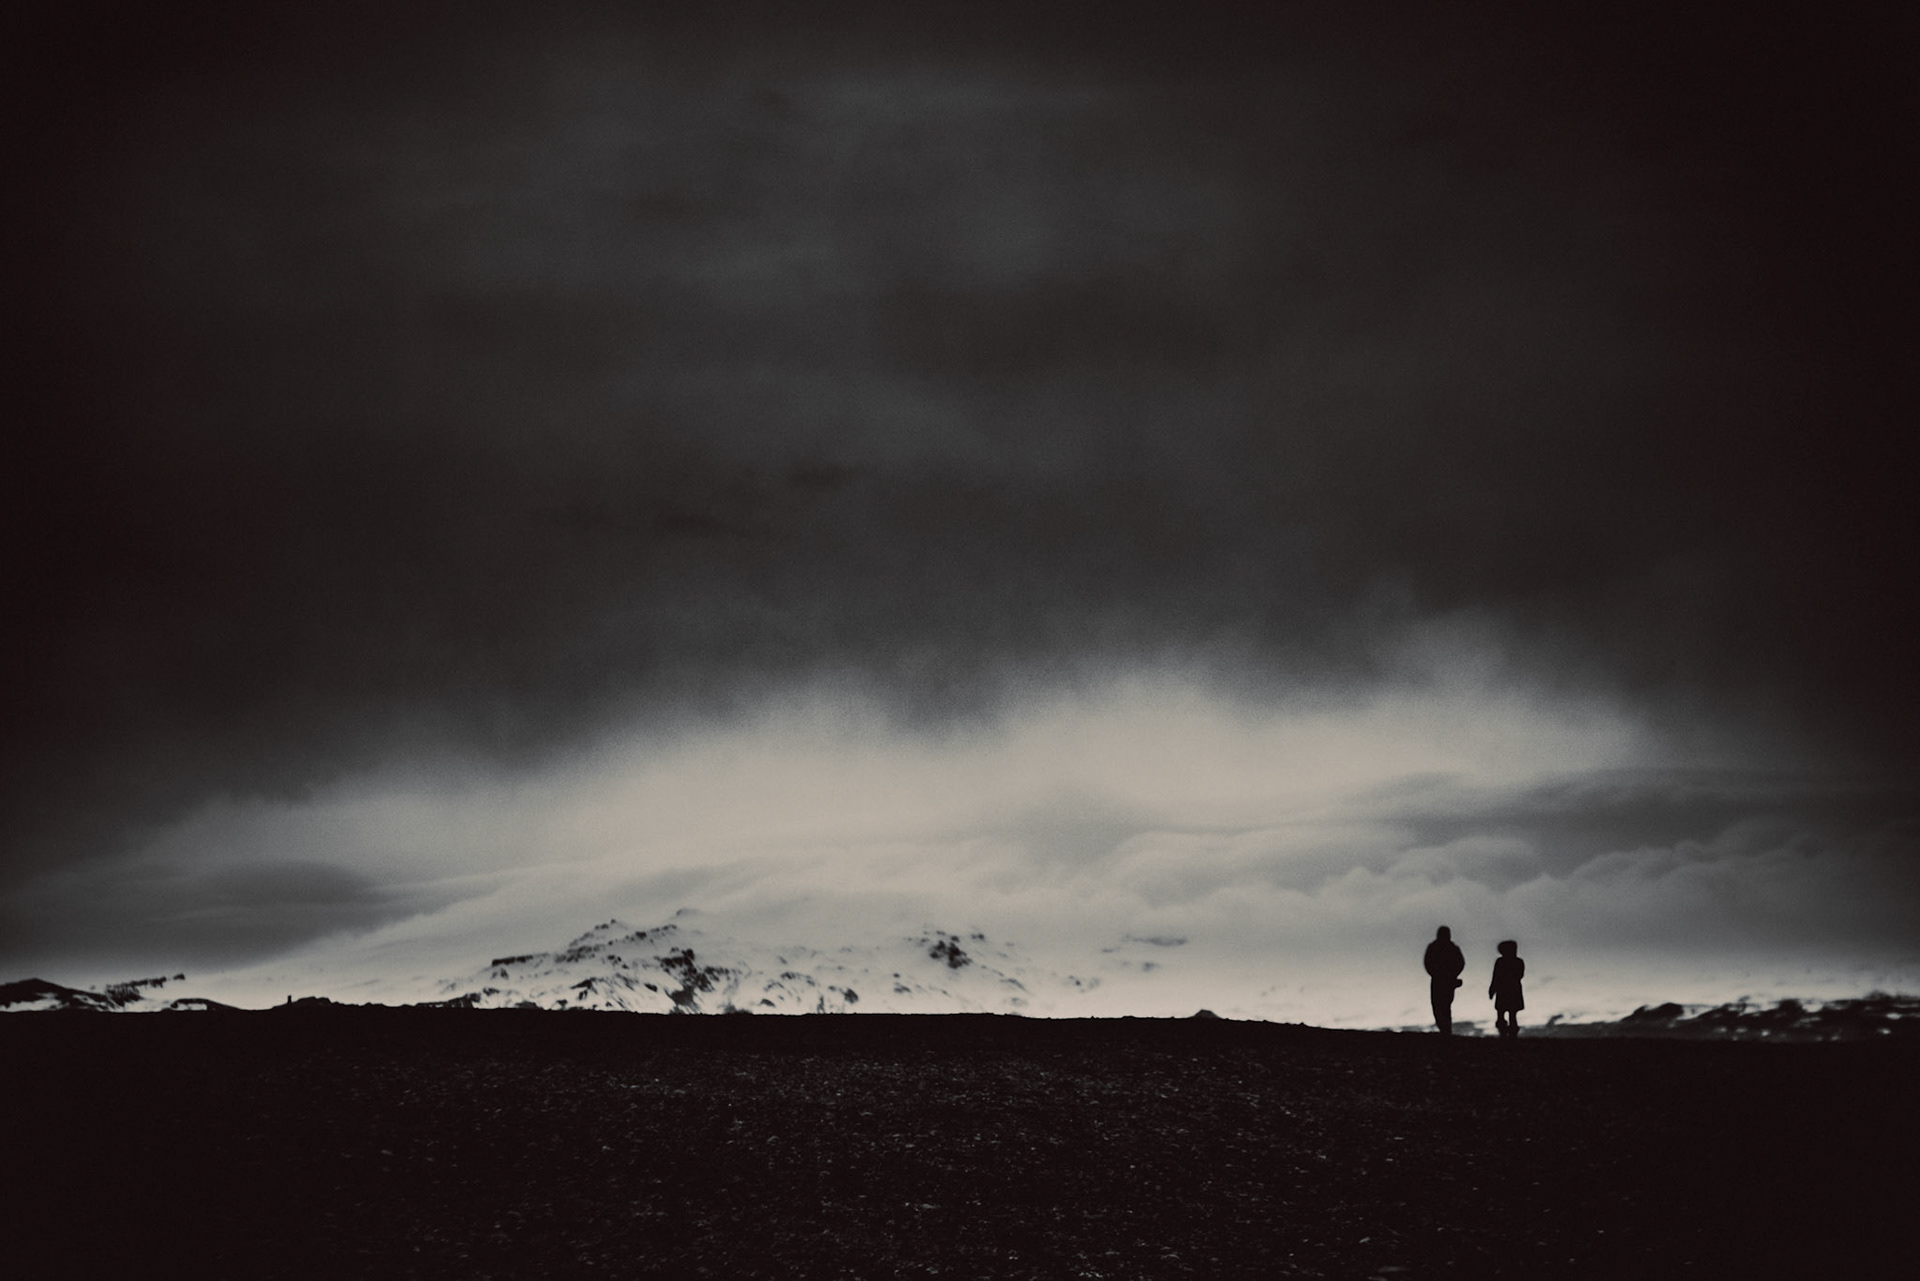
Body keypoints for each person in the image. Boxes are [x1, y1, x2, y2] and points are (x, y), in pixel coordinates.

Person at [1423, 925, 1465, 1034]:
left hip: (1443, 980)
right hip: (1441, 980)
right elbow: (1428, 963)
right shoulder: (1449, 948)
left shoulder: (1449, 948)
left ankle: (1445, 1029)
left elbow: (1460, 963)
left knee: (1442, 1004)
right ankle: (1445, 1028)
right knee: (1441, 1005)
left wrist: (1451, 974)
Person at [1489, 939, 1525, 1038]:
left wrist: (1493, 988)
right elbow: (1496, 976)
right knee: (1507, 1013)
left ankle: (1507, 1034)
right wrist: (1493, 988)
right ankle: (1506, 1033)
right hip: (1508, 990)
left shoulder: (1502, 962)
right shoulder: (1517, 962)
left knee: (1508, 1013)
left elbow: (1496, 977)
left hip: (1506, 990)